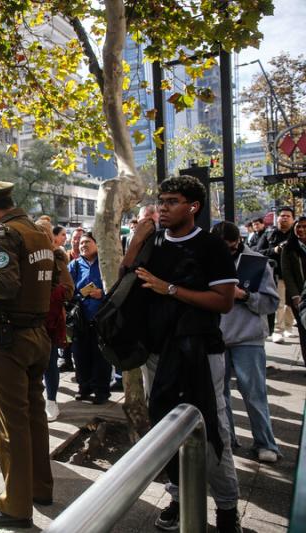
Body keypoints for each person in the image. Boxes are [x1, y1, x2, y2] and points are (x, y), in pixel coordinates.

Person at [123, 175, 241, 532]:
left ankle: (226, 508)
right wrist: (137, 240)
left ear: (194, 207)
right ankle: (177, 498)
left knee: (209, 426)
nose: (163, 207)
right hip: (157, 353)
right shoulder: (153, 241)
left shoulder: (211, 247)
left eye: (172, 201)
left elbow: (223, 302)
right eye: (161, 201)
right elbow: (124, 280)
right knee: (165, 428)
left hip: (200, 351)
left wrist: (169, 288)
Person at [0, 178, 55, 529]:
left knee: (10, 425)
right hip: (36, 336)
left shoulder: (5, 234)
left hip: (8, 342)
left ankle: (15, 506)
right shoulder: (37, 232)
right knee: (34, 417)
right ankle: (40, 487)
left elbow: (3, 285)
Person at [211, 222, 280, 463]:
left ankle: (265, 443)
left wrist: (246, 296)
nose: (226, 254)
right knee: (220, 395)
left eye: (230, 249)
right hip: (217, 336)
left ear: (238, 242)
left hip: (248, 338)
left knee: (253, 393)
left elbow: (271, 302)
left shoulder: (256, 262)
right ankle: (228, 438)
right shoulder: (207, 261)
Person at [68, 232, 109, 404]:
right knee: (80, 355)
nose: (83, 245)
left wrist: (103, 294)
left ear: (97, 244)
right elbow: (67, 290)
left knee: (102, 357)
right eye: (81, 243)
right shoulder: (74, 265)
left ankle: (101, 391)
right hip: (80, 320)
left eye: (87, 242)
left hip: (102, 318)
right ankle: (84, 388)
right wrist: (80, 294)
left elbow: (116, 287)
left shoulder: (106, 264)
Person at [39, 222, 74, 421]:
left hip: (51, 321)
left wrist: (50, 291)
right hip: (29, 321)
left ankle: (51, 401)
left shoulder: (58, 258)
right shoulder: (25, 256)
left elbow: (69, 290)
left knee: (50, 361)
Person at [257, 206, 296, 343]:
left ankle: (288, 327)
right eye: (282, 215)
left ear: (293, 219)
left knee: (293, 303)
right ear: (277, 218)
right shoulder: (269, 233)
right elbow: (258, 251)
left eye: (288, 216)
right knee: (279, 303)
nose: (284, 218)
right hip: (276, 274)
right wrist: (274, 250)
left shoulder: (297, 234)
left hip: (294, 275)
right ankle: (277, 330)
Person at [281, 215, 306, 358]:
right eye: (298, 227)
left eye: (304, 226)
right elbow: (287, 274)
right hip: (301, 297)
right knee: (304, 331)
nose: (301, 230)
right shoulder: (289, 249)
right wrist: (295, 296)